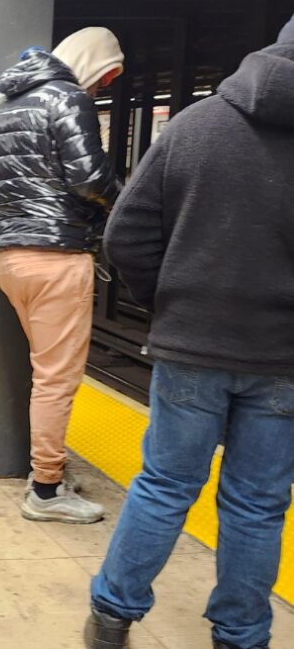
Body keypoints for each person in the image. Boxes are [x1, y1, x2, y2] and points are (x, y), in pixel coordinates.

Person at [84, 37, 294, 649]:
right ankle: (241, 633)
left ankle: (112, 617)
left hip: (189, 346)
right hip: (282, 359)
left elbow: (125, 234)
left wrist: (167, 300)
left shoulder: (194, 127)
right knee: (258, 504)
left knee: (165, 484)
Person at [0, 27, 123, 525]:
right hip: (57, 255)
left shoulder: (8, 105)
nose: (99, 91)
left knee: (44, 373)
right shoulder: (67, 97)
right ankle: (45, 490)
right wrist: (121, 201)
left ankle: (49, 472)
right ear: (88, 65)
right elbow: (89, 177)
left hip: (12, 258)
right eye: (102, 80)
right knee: (56, 380)